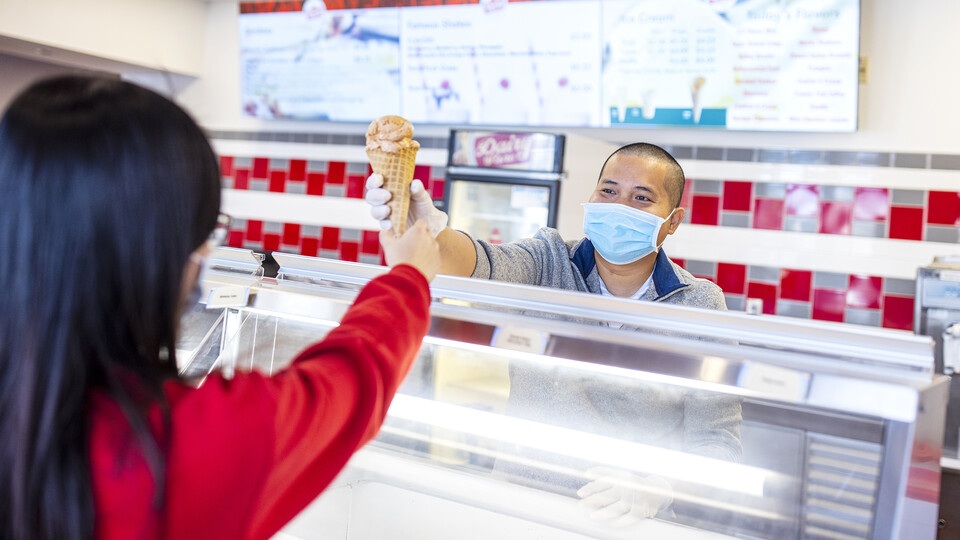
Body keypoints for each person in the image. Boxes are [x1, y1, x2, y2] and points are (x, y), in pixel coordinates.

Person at [0, 75, 439, 540]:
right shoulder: (193, 448)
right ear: (154, 255)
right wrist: (408, 276)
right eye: (204, 235)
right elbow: (351, 381)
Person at [365, 142, 742, 525]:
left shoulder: (699, 304)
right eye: (608, 191)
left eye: (641, 198)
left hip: (627, 525)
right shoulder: (548, 261)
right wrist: (432, 233)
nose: (618, 207)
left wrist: (657, 488)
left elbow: (718, 443)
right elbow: (479, 263)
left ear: (673, 221)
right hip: (519, 510)